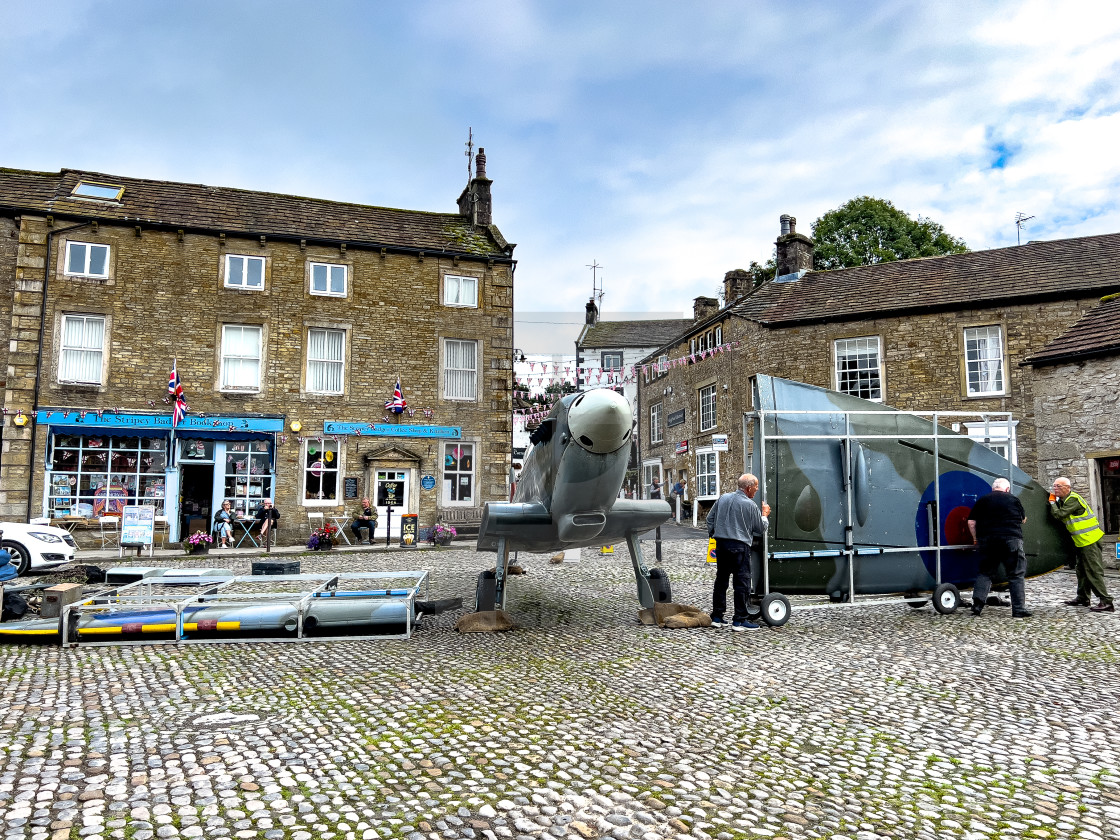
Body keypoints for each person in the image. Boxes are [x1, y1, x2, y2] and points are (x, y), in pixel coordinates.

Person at [707, 473, 770, 631]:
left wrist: (715, 534)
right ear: (748, 488)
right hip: (740, 546)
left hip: (721, 544)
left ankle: (717, 617)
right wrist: (765, 515)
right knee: (741, 583)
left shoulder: (723, 498)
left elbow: (709, 518)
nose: (756, 490)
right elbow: (760, 528)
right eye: (755, 487)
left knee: (721, 581)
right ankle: (739, 620)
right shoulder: (750, 505)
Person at [967, 478, 1031, 618]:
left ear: (993, 488)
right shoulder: (1014, 499)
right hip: (1011, 540)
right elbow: (1023, 519)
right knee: (1015, 574)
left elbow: (971, 522)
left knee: (985, 572)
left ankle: (977, 607)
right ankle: (1019, 609)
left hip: (988, 541)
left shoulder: (983, 500)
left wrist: (975, 538)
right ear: (1007, 489)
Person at [1049, 476, 1114, 612]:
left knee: (1093, 570)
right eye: (1054, 486)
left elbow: (1059, 515)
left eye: (1058, 486)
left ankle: (1106, 601)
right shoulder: (1064, 500)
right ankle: (1083, 597)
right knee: (1081, 570)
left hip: (1090, 539)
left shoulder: (1073, 499)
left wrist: (1052, 503)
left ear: (1068, 487)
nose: (1055, 489)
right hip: (1081, 541)